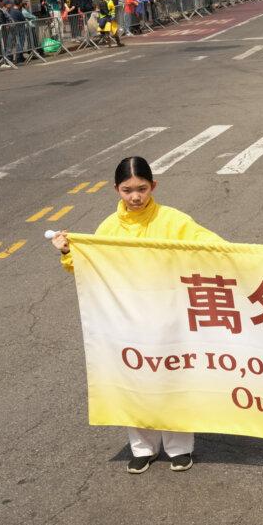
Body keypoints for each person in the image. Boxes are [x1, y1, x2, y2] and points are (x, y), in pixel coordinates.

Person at [52, 155, 222, 473]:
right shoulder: (109, 228)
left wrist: (246, 259)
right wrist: (67, 251)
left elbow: (211, 247)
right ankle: (142, 447)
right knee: (135, 380)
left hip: (170, 318)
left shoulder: (174, 221)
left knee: (172, 378)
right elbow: (90, 265)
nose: (135, 197)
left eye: (142, 188)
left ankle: (179, 448)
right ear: (116, 189)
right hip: (126, 321)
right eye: (127, 189)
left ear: (153, 186)